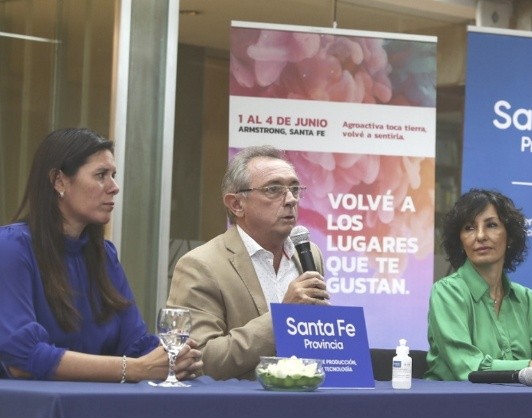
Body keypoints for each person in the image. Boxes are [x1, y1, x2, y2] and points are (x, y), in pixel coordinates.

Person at [0, 128, 202, 382]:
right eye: (100, 175)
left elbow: (136, 344)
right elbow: (22, 358)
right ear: (59, 181)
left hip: (100, 408)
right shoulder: (11, 247)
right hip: (34, 413)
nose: (114, 187)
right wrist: (137, 369)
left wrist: (174, 358)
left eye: (113, 175)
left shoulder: (104, 255)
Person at [167, 145, 329, 380]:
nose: (291, 200)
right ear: (236, 204)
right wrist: (283, 317)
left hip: (306, 401)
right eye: (274, 189)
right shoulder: (200, 265)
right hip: (240, 410)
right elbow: (200, 360)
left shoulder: (308, 253)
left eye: (295, 189)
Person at [425, 189, 532, 381]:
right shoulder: (446, 292)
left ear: (510, 238)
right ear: (460, 241)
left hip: (512, 403)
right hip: (453, 404)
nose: (480, 236)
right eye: (469, 228)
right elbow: (468, 367)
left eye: (491, 225)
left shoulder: (525, 298)